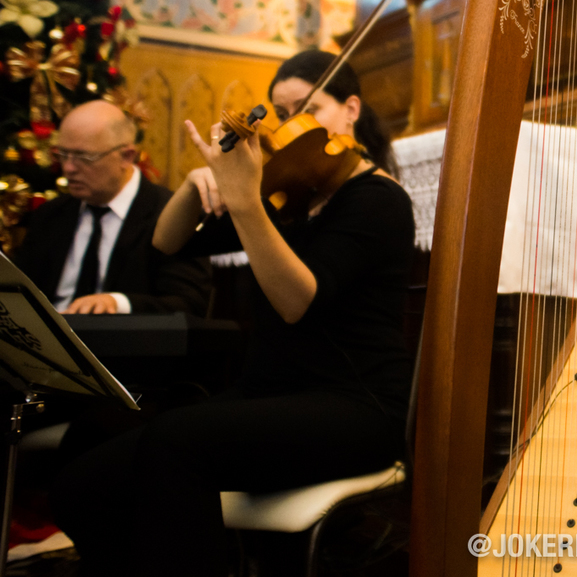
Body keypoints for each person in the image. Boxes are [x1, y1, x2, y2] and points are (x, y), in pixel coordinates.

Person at [49, 51, 416, 577]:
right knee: (81, 482)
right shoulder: (290, 190)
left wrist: (244, 201)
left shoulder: (377, 199)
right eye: (282, 112)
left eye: (308, 107)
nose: (292, 125)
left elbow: (296, 302)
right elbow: (167, 242)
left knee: (177, 443)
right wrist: (196, 181)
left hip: (355, 405)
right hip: (270, 394)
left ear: (351, 109)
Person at [12, 100, 210, 316]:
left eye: (83, 157)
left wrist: (118, 303)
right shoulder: (50, 215)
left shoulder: (172, 215)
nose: (68, 168)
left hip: (128, 344)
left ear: (127, 156)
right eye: (62, 155)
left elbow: (188, 304)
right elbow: (19, 296)